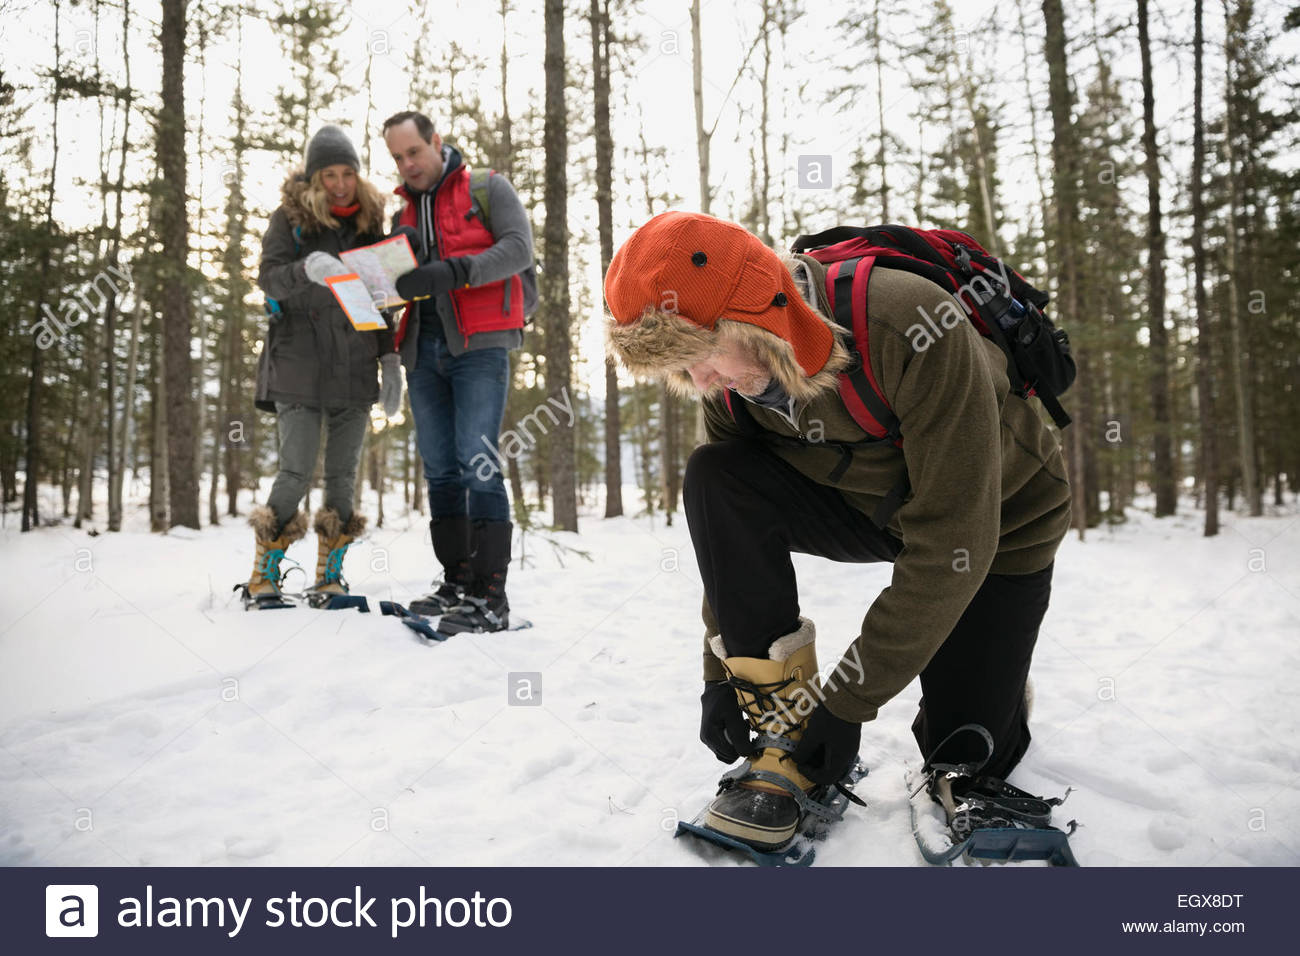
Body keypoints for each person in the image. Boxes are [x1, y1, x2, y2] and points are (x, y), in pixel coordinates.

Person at [603, 211, 1071, 851]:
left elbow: (953, 543)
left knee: (963, 755)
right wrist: (720, 674)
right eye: (681, 371)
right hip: (864, 507)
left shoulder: (910, 323)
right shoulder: (728, 386)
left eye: (703, 357)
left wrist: (847, 702)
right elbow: (726, 529)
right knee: (715, 473)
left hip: (997, 523)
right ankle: (782, 733)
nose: (702, 383)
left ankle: (992, 685)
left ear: (753, 317)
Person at [382, 110, 536, 634]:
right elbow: (394, 283)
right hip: (423, 349)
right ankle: (458, 582)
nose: (407, 165)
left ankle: (492, 598)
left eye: (413, 153)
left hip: (480, 343)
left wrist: (458, 271)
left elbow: (518, 249)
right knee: (441, 468)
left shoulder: (487, 188)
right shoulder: (401, 212)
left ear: (436, 143)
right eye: (398, 158)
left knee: (479, 461)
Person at [244, 124, 402, 609]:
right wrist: (307, 268)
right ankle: (263, 578)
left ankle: (329, 578)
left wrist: (390, 357)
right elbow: (269, 279)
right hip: (298, 366)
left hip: (354, 370)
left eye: (346, 173)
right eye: (328, 174)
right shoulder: (289, 220)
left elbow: (382, 299)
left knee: (342, 476)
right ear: (314, 178)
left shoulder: (372, 224)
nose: (338, 184)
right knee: (294, 472)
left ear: (357, 175)